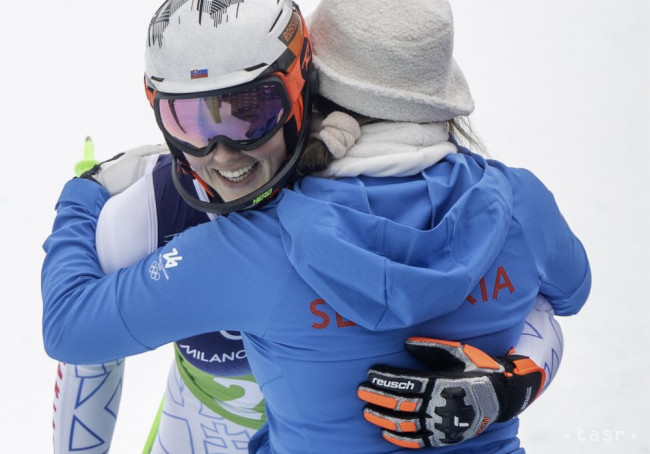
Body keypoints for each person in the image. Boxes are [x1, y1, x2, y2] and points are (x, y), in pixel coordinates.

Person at [42, 0, 591, 453]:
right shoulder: (519, 201)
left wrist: (83, 193)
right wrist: (513, 383)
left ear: (310, 89)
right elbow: (565, 296)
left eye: (251, 110)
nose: (222, 151)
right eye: (188, 120)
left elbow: (70, 329)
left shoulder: (254, 246)